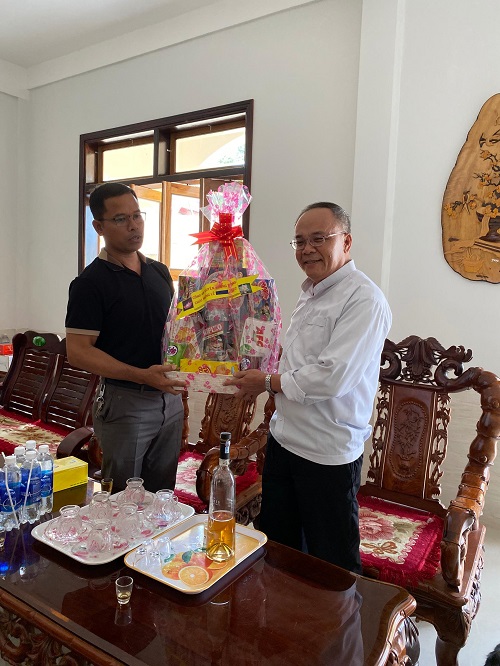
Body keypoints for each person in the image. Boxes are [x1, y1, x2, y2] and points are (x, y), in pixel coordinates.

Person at [225, 201, 392, 573]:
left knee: (332, 562)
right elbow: (297, 361)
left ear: (346, 241)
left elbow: (332, 377)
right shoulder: (311, 291)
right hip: (284, 440)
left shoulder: (364, 300)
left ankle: (339, 613)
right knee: (279, 547)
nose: (307, 249)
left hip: (325, 452)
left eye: (319, 238)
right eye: (299, 241)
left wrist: (266, 382)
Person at [65, 183, 186, 493]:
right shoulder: (90, 283)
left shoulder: (159, 272)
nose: (134, 225)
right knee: (123, 498)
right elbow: (78, 351)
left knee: (162, 496)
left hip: (170, 399)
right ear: (99, 227)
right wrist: (141, 375)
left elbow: (174, 331)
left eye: (137, 215)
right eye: (121, 219)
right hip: (125, 402)